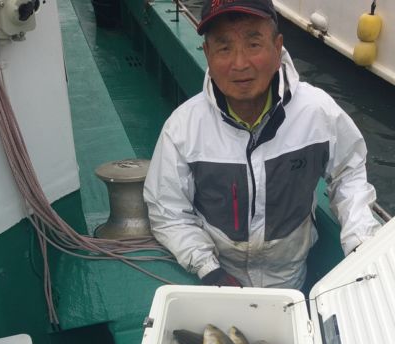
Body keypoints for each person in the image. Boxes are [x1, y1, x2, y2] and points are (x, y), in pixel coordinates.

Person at [143, 0, 380, 289]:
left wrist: (360, 241)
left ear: (277, 48)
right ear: (207, 54)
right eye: (224, 48)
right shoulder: (183, 127)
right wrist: (208, 268)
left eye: (253, 44)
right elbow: (168, 210)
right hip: (213, 277)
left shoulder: (318, 112)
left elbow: (349, 173)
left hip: (290, 279)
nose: (240, 63)